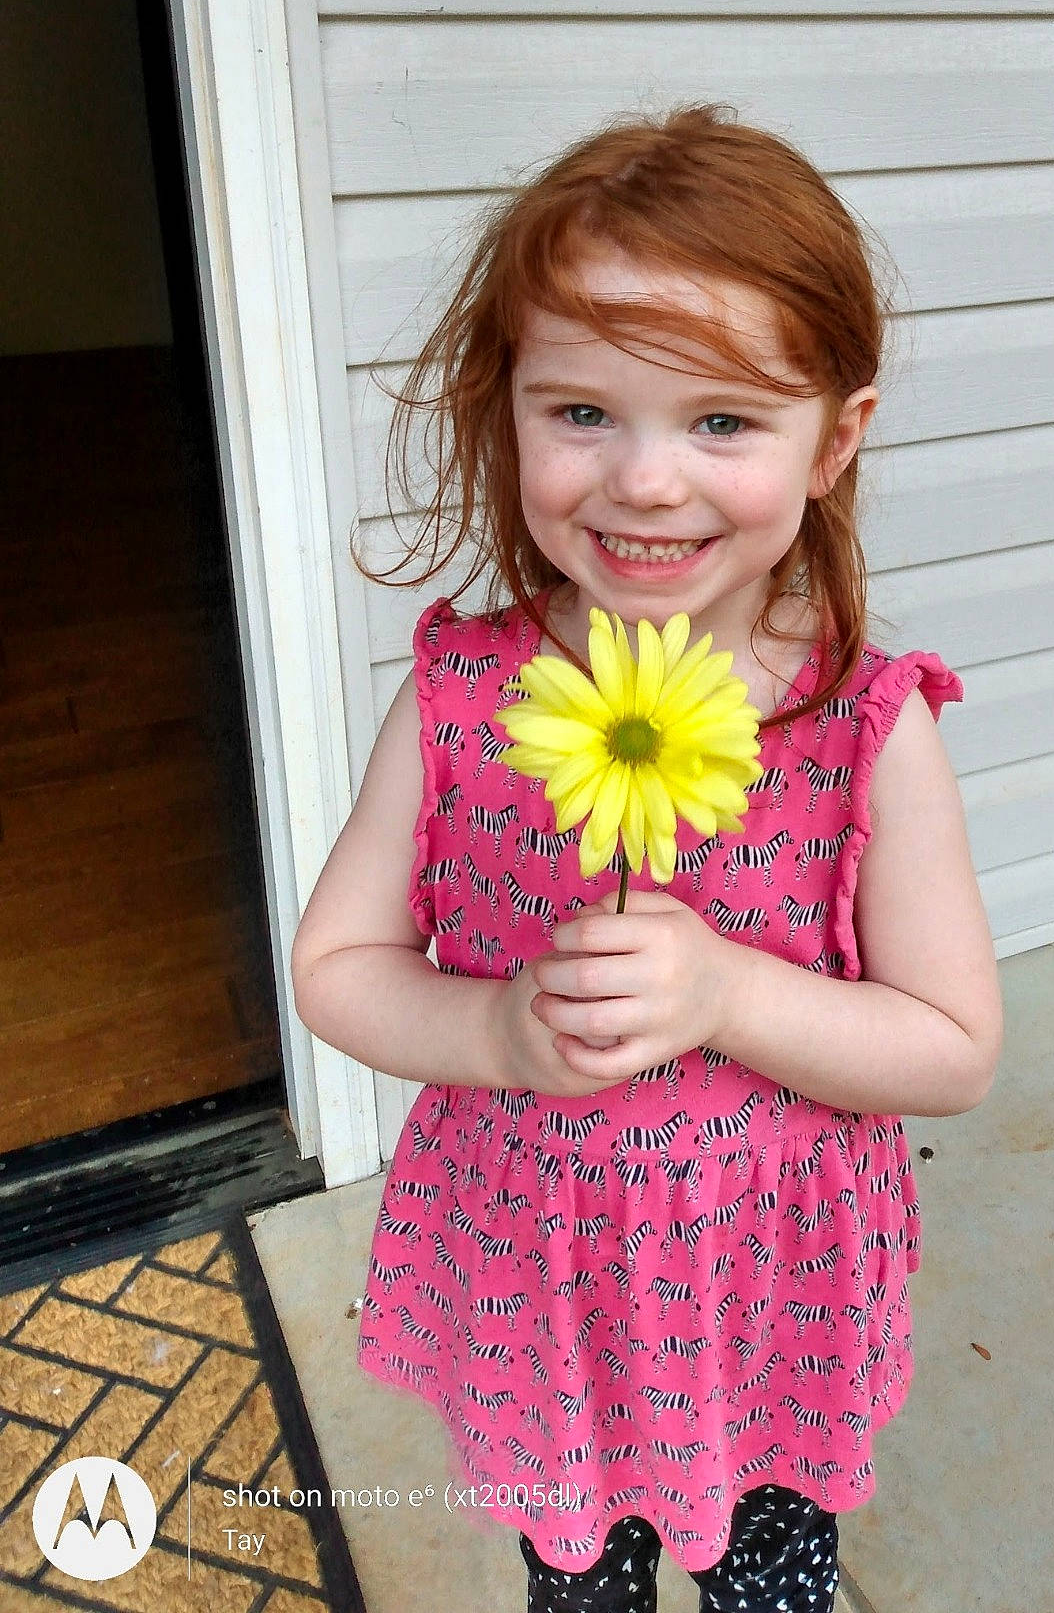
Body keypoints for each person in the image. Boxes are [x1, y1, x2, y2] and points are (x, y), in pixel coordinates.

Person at [291, 103, 1003, 1613]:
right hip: (548, 1291)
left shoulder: (863, 730)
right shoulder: (467, 698)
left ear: (837, 440)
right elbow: (338, 965)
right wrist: (493, 1030)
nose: (647, 480)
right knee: (580, 1590)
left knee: (770, 1580)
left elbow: (951, 1047)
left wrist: (727, 992)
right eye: (582, 412)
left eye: (721, 422)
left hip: (768, 1299)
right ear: (508, 412)